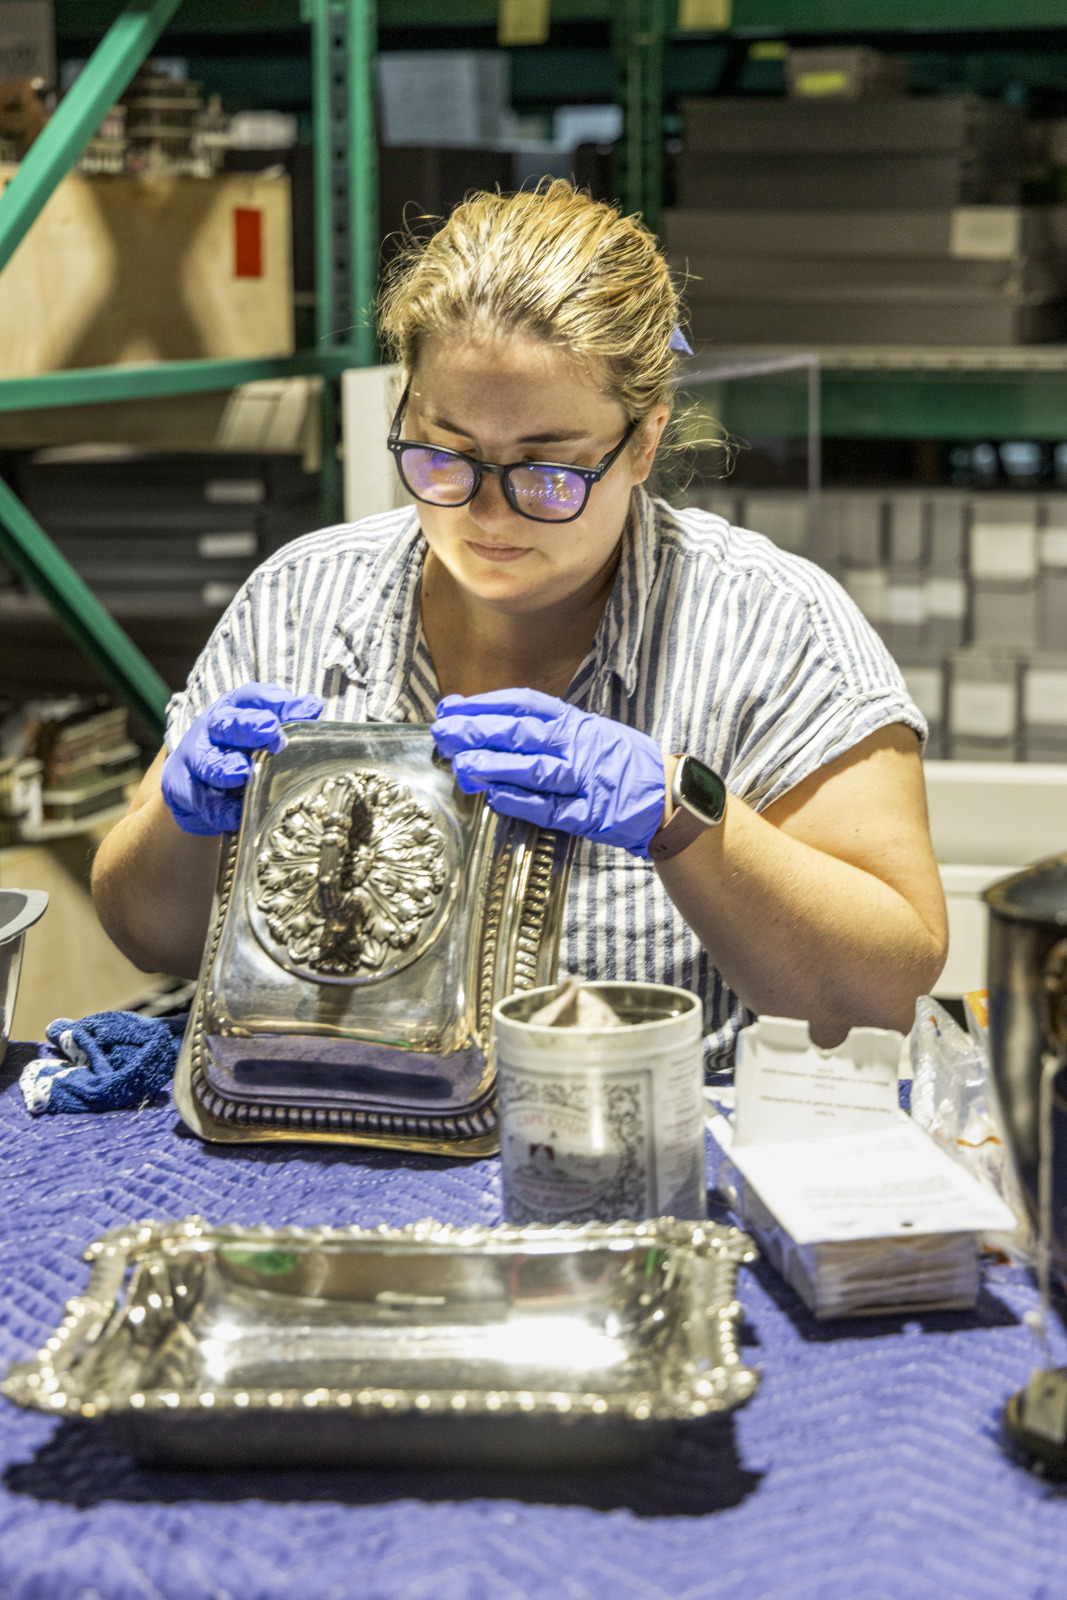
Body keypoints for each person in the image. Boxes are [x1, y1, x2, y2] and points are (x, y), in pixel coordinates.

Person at [92, 181, 947, 1069]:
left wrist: (687, 824)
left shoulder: (775, 627)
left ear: (643, 444)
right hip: (331, 1130)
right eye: (444, 452)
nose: (488, 514)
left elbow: (880, 995)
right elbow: (149, 936)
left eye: (546, 473)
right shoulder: (302, 600)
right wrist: (182, 827)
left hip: (643, 1156)